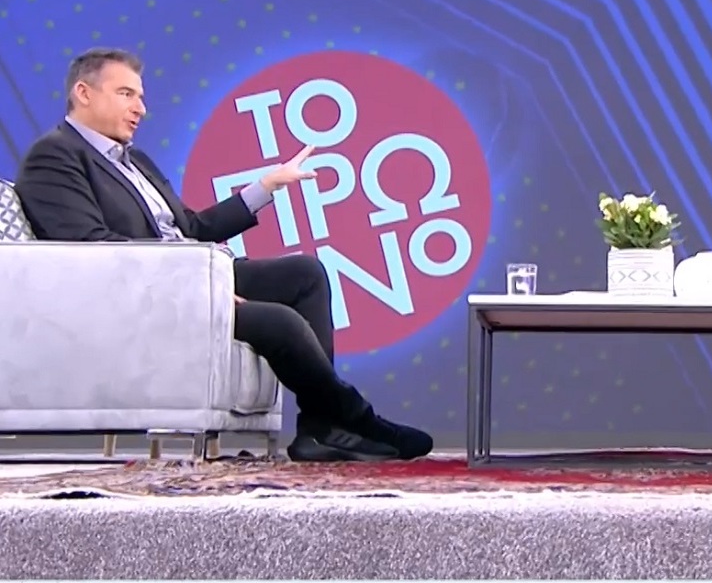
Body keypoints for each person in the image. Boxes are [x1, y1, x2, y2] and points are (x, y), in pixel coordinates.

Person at [15, 47, 434, 463]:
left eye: (141, 97)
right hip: (147, 298)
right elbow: (90, 248)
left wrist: (266, 186)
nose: (141, 108)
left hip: (191, 275)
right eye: (126, 94)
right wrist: (196, 287)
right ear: (84, 93)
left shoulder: (135, 160)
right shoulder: (54, 156)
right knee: (279, 321)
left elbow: (191, 228)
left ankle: (319, 429)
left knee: (305, 273)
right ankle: (358, 419)